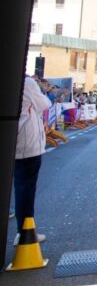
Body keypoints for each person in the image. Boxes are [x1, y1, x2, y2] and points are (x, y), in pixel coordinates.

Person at [13, 76, 52, 244]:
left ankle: (23, 230)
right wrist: (40, 88)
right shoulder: (27, 83)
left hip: (18, 141)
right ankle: (25, 232)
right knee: (26, 189)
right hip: (28, 144)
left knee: (22, 186)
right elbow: (45, 104)